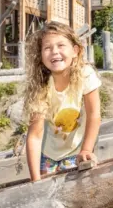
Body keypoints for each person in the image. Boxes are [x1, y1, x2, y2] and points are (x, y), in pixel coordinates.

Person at [23, 22, 102, 182]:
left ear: (75, 50)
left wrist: (86, 149)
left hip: (77, 151)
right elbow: (35, 136)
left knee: (78, 195)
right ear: (40, 55)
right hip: (48, 155)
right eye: (47, 48)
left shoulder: (85, 74)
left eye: (61, 45)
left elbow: (94, 115)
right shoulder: (41, 85)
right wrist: (35, 180)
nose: (54, 52)